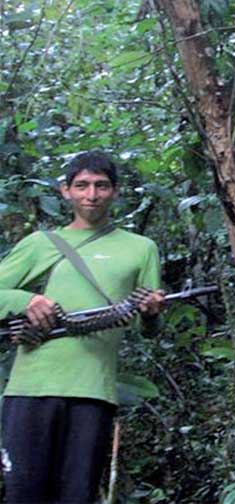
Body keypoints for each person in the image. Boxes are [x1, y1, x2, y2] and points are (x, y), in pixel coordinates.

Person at [0, 150, 165, 503]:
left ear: (115, 191)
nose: (92, 195)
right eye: (82, 185)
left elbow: (149, 329)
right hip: (31, 389)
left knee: (77, 495)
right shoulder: (40, 243)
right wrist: (27, 301)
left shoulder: (141, 249)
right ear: (66, 191)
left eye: (101, 186)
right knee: (23, 494)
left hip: (93, 391)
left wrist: (151, 313)